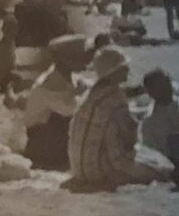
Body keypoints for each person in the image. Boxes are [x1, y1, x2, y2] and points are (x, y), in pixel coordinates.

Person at [68, 46, 168, 191]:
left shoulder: (92, 93)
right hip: (99, 171)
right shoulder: (115, 96)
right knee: (162, 168)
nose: (127, 69)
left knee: (149, 158)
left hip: (79, 169)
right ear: (113, 71)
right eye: (123, 67)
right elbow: (129, 136)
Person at [16, 42, 84, 170]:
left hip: (49, 136)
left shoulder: (67, 77)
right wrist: (81, 94)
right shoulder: (48, 83)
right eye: (74, 56)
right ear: (61, 59)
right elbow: (68, 109)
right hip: (42, 140)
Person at [137, 70, 179, 179]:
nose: (168, 89)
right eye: (161, 87)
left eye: (167, 83)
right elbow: (152, 156)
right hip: (174, 161)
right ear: (151, 93)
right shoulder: (149, 122)